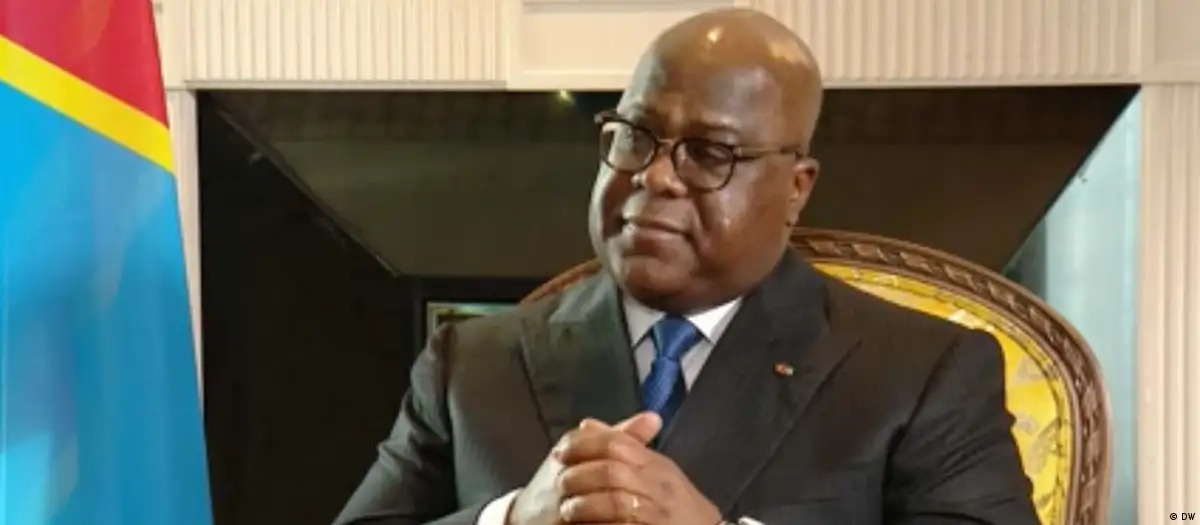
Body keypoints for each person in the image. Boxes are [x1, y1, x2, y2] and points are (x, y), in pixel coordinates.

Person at [335, 7, 1038, 525]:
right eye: (635, 137)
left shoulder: (922, 373)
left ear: (795, 189)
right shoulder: (470, 365)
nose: (656, 176)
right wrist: (514, 518)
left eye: (709, 153)